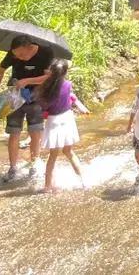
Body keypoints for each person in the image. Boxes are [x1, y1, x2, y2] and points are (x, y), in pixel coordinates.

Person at [0, 35, 53, 182]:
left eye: (22, 55)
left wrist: (28, 81)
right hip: (14, 96)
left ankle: (34, 163)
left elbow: (48, 77)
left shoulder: (46, 53)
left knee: (35, 130)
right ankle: (12, 168)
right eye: (16, 55)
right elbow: (0, 71)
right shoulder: (14, 53)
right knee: (14, 131)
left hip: (36, 96)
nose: (19, 57)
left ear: (30, 47)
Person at [38, 59, 86, 193]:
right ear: (64, 73)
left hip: (53, 121)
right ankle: (84, 181)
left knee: (52, 157)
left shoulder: (45, 88)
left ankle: (47, 187)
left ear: (51, 72)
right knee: (69, 152)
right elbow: (69, 96)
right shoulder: (68, 85)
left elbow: (43, 108)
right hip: (67, 119)